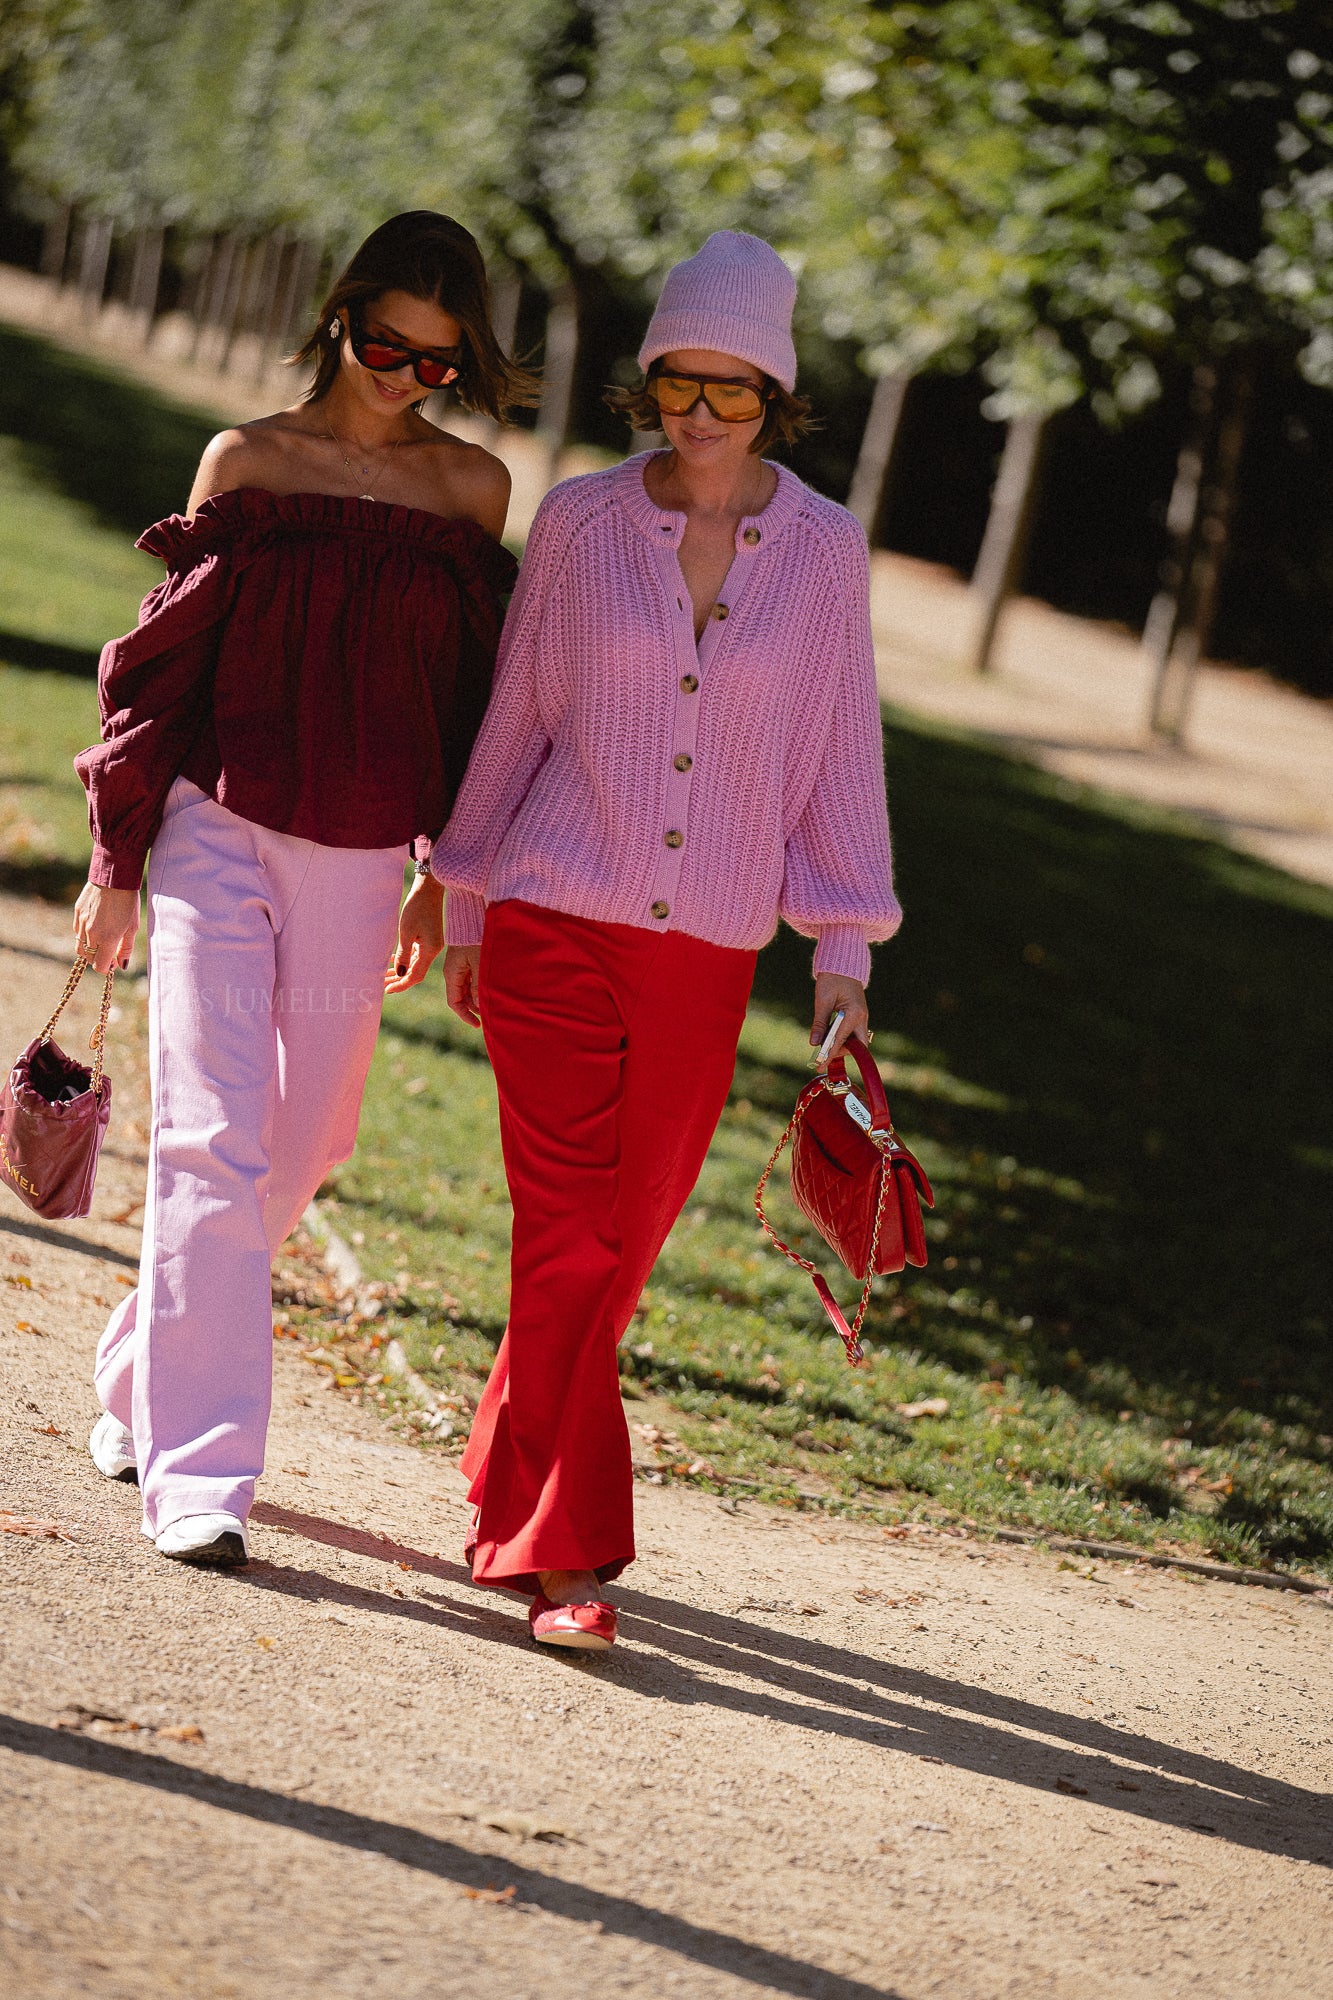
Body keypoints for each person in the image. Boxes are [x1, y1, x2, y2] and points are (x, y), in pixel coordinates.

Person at [400, 230, 901, 1651]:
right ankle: (564, 1558)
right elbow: (518, 714)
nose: (699, 413)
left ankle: (506, 1483)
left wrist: (844, 955)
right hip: (556, 917)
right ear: (649, 381)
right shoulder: (574, 522)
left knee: (615, 1254)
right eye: (678, 382)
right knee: (567, 1234)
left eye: (732, 391)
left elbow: (838, 753)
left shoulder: (821, 550)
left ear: (776, 397)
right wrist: (467, 888)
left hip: (709, 952)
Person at [73, 211, 528, 1567]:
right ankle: (202, 1479)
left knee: (310, 1140)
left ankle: (139, 1371)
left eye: (436, 365)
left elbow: (473, 702)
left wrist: (447, 876)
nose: (401, 377)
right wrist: (117, 862)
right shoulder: (252, 460)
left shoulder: (471, 494)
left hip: (364, 847)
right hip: (222, 822)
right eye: (385, 345)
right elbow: (166, 665)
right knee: (212, 1136)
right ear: (343, 318)